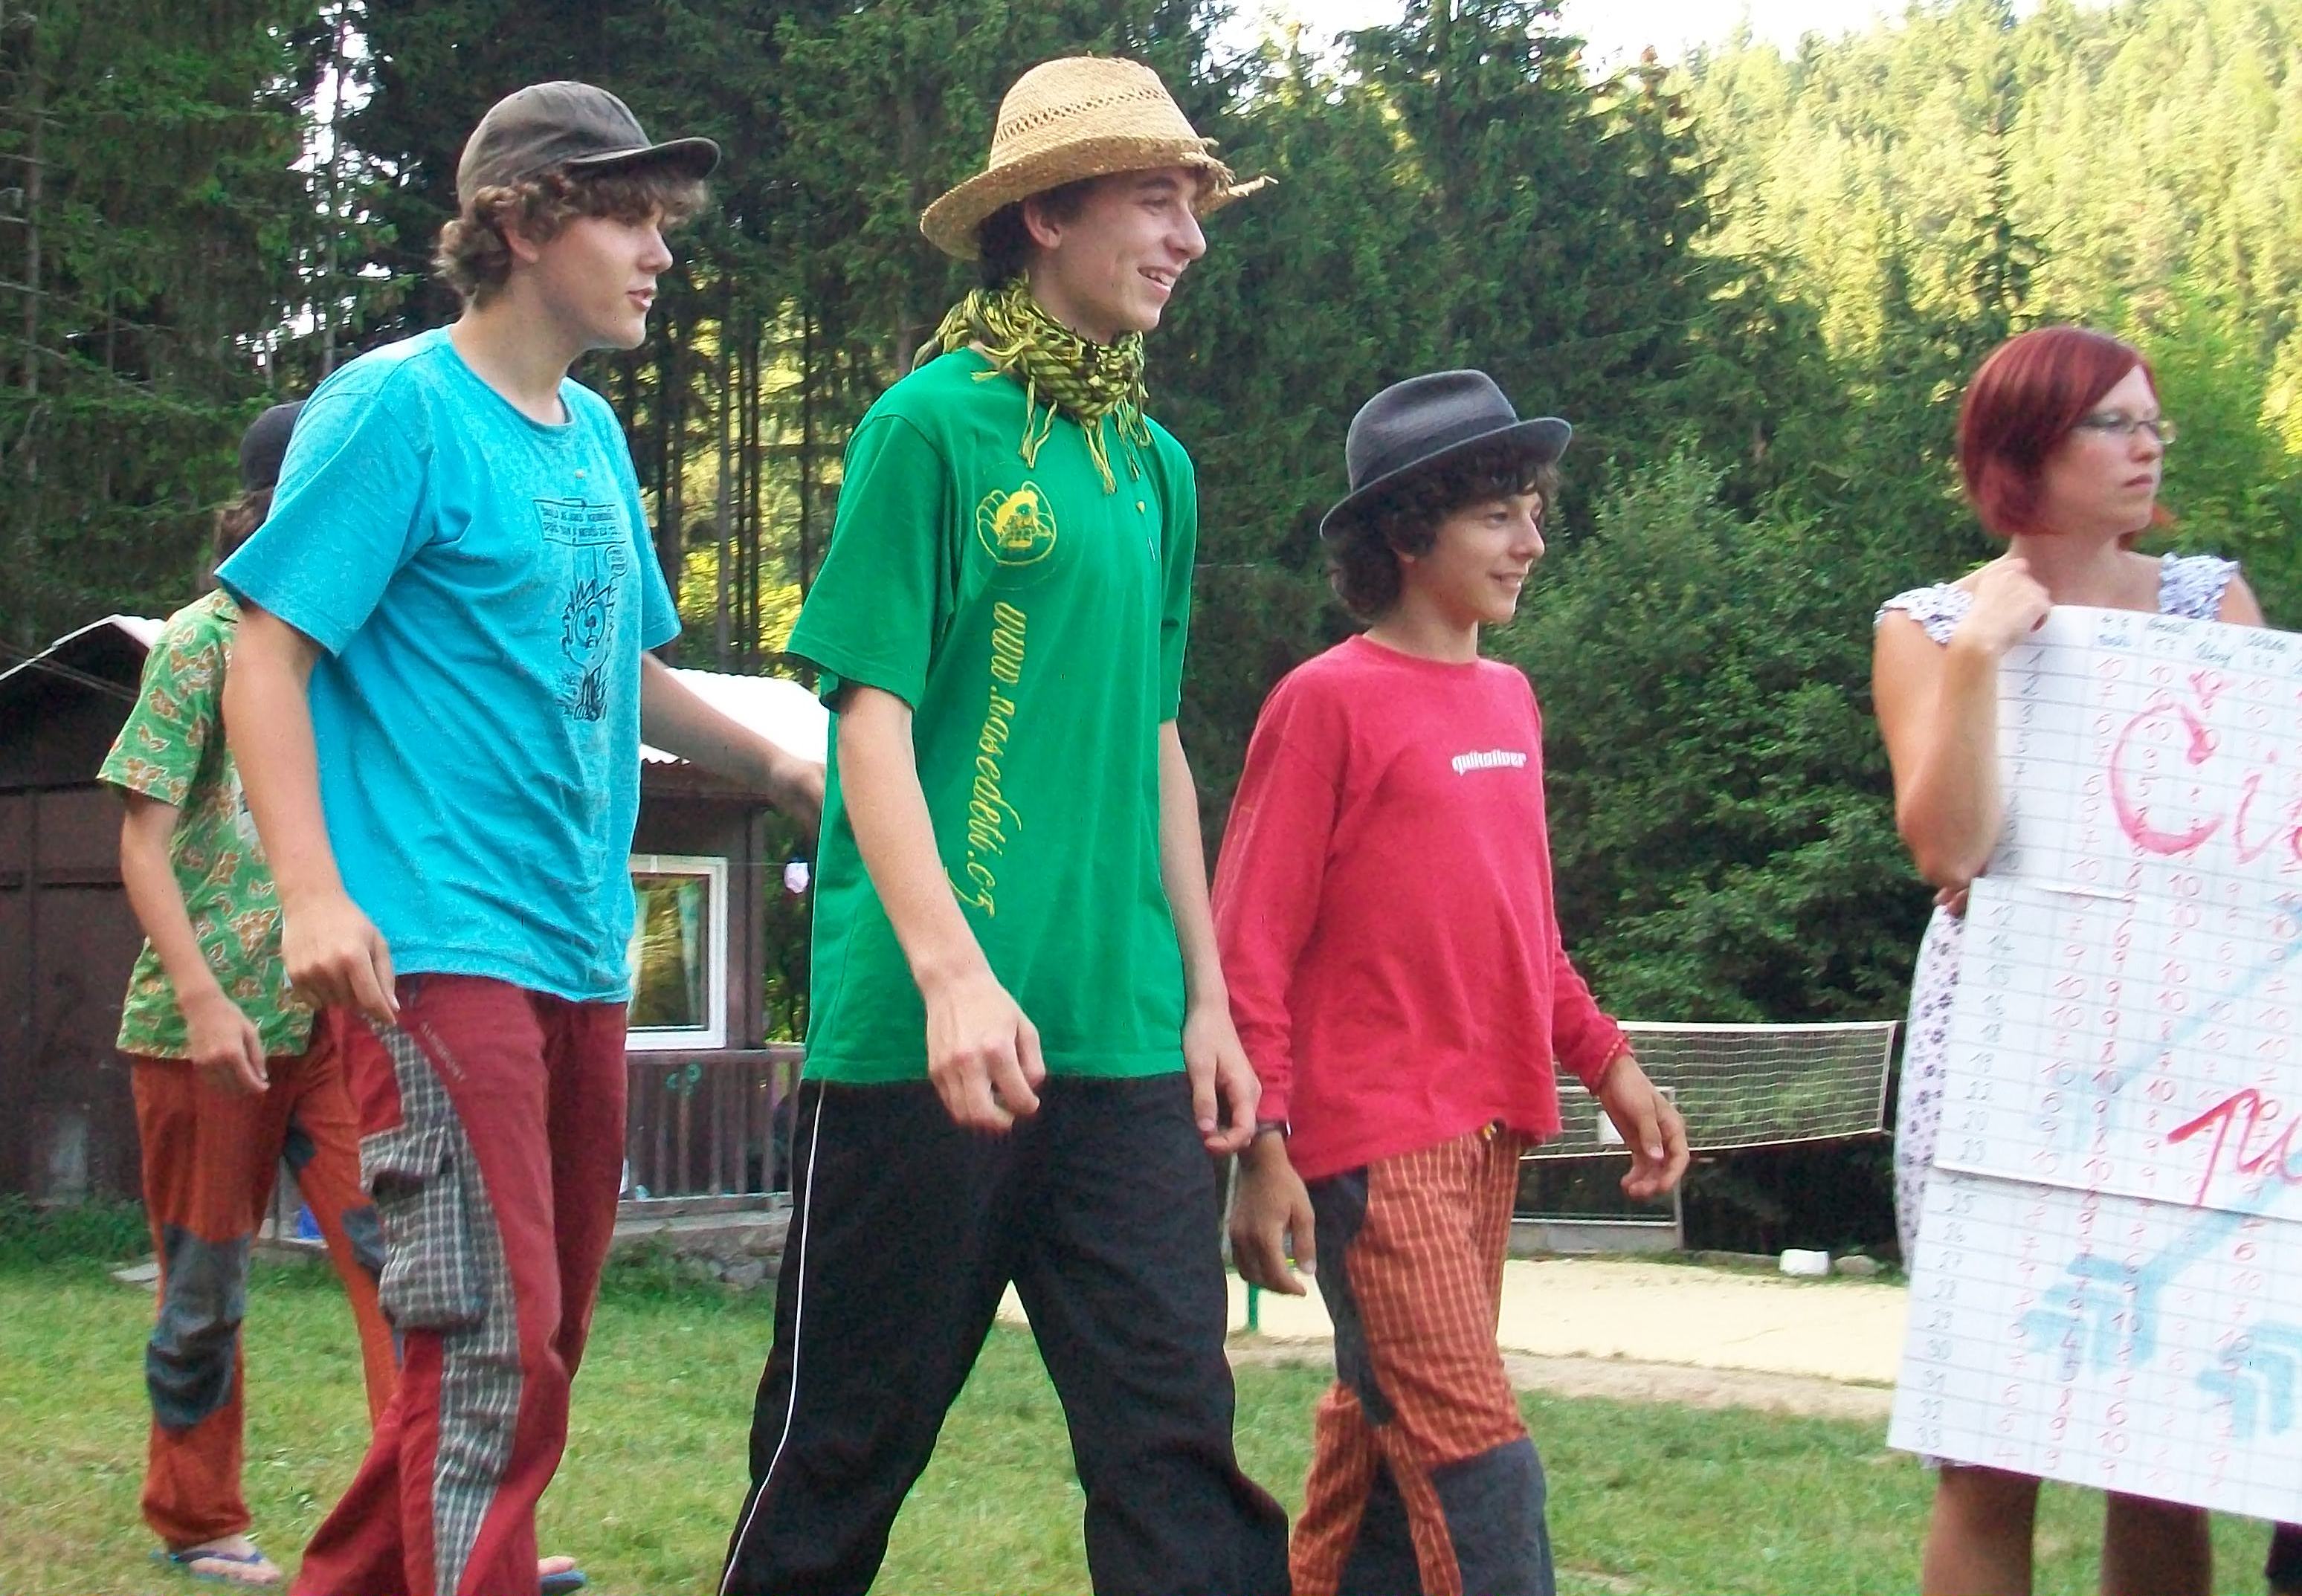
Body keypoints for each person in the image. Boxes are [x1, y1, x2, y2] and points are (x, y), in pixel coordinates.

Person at [216, 82, 822, 1596]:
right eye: (629, 219)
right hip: (435, 946)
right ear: (525, 221)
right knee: (492, 1342)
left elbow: (630, 672)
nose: (660, 255)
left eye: (662, 223)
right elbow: (263, 654)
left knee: (526, 1340)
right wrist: (310, 895)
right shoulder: (396, 410)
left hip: (578, 950)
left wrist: (779, 765)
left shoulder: (593, 436)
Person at [716, 55, 1290, 1596]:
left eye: (1195, 206)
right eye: (1157, 201)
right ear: (1045, 213)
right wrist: (952, 973)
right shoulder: (931, 428)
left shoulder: (1155, 467)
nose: (1189, 239)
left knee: (1176, 1457)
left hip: (1124, 1042)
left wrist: (1209, 1000)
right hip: (924, 1044)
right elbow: (869, 719)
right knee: (840, 1450)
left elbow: (1157, 745)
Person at [1216, 371, 1689, 1596]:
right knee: (1480, 1463)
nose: (1531, 542)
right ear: (1407, 533)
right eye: (1496, 516)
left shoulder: (1510, 700)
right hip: (1369, 1146)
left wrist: (1611, 1064)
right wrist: (1262, 1145)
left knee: (1383, 1448)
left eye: (1533, 512)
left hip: (1488, 1136)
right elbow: (1248, 945)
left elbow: (1525, 932)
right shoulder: (1324, 703)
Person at [1874, 323, 2260, 1596]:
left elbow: (2253, 850)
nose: (2149, 446)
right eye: (2115, 423)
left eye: (2154, 423)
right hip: (2004, 1045)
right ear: (2027, 447)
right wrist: (1986, 654)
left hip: (2179, 1046)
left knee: (2160, 1451)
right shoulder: (1929, 626)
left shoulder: (2211, 604)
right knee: (1988, 1450)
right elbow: (1951, 848)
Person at [102, 403, 396, 1589]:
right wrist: (201, 996)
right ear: (282, 504)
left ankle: (431, 1507)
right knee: (204, 1289)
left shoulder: (360, 642)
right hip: (204, 1033)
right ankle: (196, 1519)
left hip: (338, 1020)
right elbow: (141, 842)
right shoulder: (200, 642)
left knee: (404, 1264)